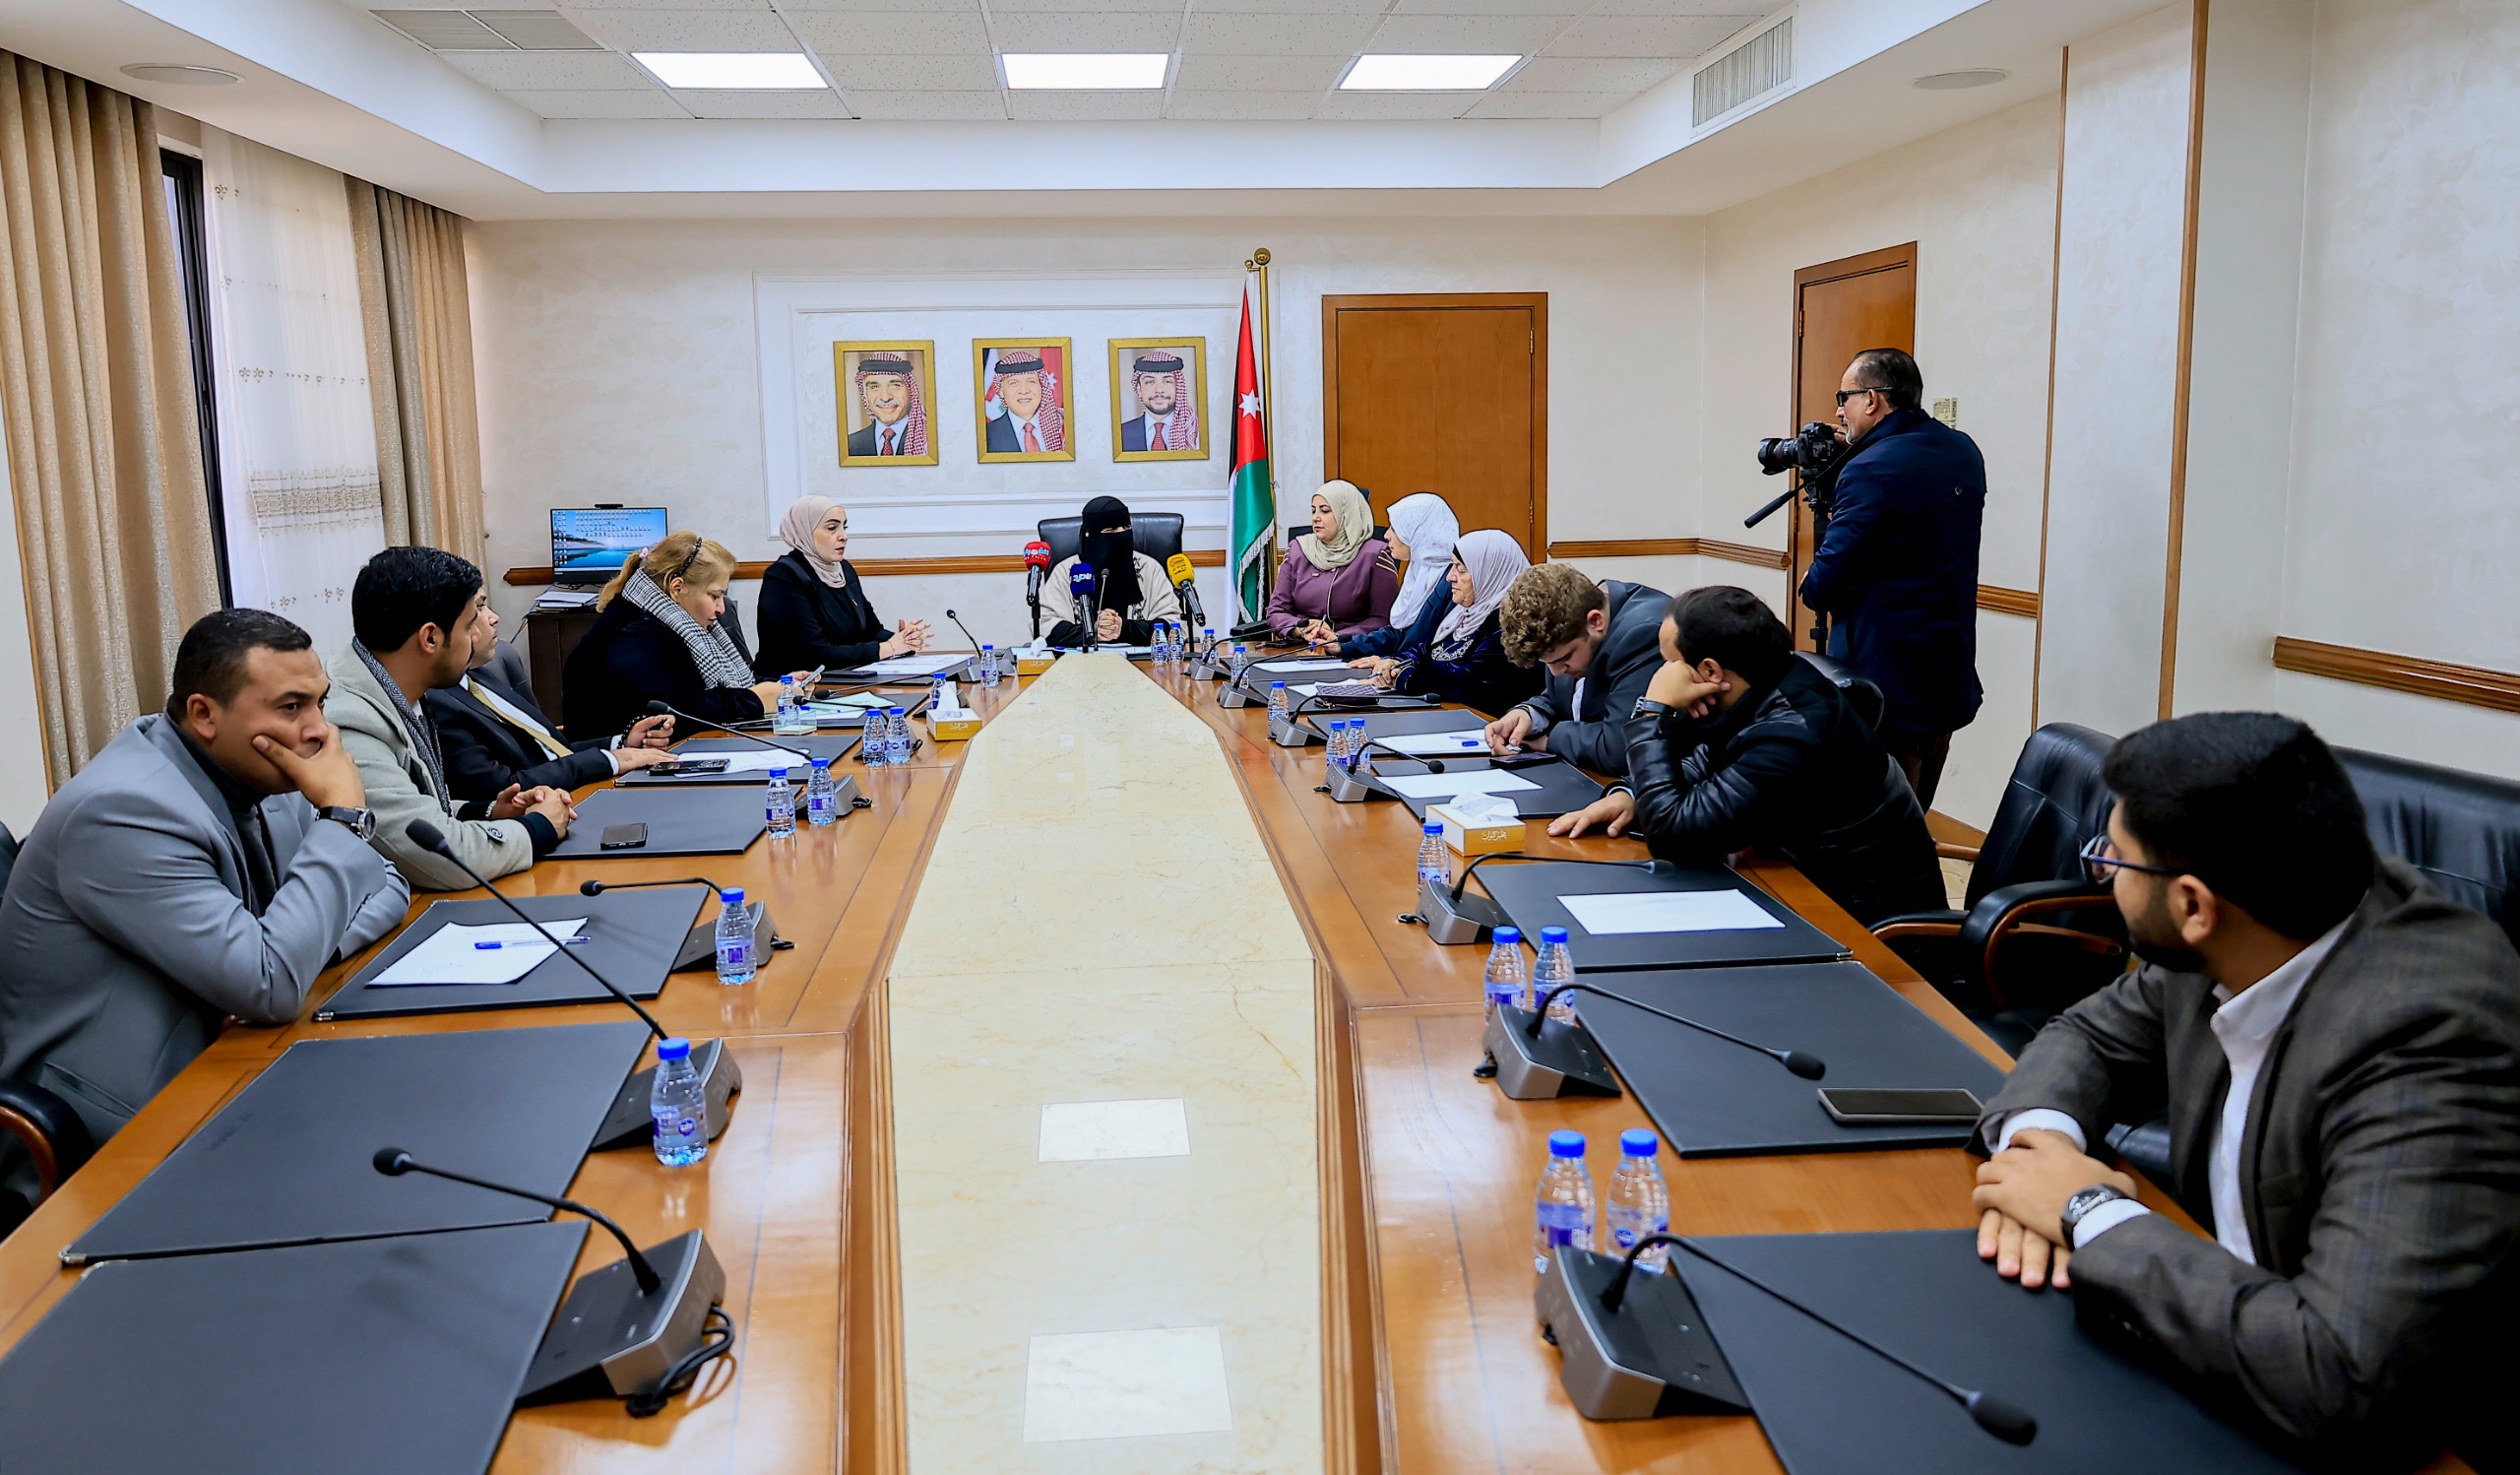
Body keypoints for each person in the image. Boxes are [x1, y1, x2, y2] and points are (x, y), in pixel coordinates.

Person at [1968, 713, 2520, 1467]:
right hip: (2208, 1344)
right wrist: (2042, 1151)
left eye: (2114, 860)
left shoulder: (2429, 1039)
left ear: (2193, 906)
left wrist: (2085, 1210)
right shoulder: (2256, 924)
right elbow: (2090, 1035)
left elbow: (2338, 1377)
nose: (2105, 874)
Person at [0, 609, 409, 1153]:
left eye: (320, 702)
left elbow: (387, 881)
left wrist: (310, 947)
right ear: (204, 714)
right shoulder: (123, 811)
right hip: (126, 1123)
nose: (319, 731)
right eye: (291, 707)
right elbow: (269, 985)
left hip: (243, 1061)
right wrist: (341, 822)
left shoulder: (261, 769)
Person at [1545, 587, 1942, 927]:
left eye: (1669, 665)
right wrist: (1630, 795)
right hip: (1790, 885)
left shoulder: (1793, 732)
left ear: (1710, 670)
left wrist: (1653, 712)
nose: (1663, 677)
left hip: (1861, 929)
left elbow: (1674, 836)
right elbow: (1704, 764)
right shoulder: (1762, 686)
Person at [1798, 348, 1985, 810]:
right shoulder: (1962, 449)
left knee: (1879, 826)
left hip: (1886, 682)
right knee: (1915, 814)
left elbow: (1823, 585)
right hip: (1945, 672)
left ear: (1872, 399)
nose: (1838, 411)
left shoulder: (1871, 468)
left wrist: (1809, 579)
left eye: (1844, 397)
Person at [332, 546, 577, 891]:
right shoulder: (351, 723)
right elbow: (442, 857)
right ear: (430, 638)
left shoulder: (396, 687)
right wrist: (540, 827)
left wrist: (489, 812)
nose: (475, 636)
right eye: (468, 625)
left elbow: (418, 810)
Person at [563, 531, 799, 740]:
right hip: (613, 762)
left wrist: (777, 685)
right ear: (677, 588)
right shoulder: (635, 633)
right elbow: (680, 711)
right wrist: (755, 699)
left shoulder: (661, 617)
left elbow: (710, 688)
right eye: (714, 596)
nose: (721, 608)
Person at [428, 624, 679, 804]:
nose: (493, 618)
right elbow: (503, 788)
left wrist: (621, 744)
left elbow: (550, 752)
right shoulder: (438, 703)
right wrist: (608, 760)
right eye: (478, 611)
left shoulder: (479, 676)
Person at [1485, 564, 1668, 777]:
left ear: (1595, 622)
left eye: (1564, 659)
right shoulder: (1578, 631)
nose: (1555, 672)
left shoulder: (1643, 635)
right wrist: (1529, 716)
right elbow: (1566, 699)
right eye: (1547, 663)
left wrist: (1549, 740)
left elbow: (1619, 749)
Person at [1369, 530, 1542, 716]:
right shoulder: (1463, 613)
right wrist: (1396, 662)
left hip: (1486, 724)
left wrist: (1406, 676)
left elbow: (1469, 682)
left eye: (1461, 569)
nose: (1450, 577)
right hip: (1447, 716)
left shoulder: (1511, 625)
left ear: (1490, 573)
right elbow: (1426, 650)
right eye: (1452, 566)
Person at [755, 495, 932, 674]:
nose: (844, 537)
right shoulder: (783, 577)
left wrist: (904, 640)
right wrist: (890, 648)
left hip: (843, 678)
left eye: (844, 527)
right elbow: (816, 656)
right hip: (791, 685)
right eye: (832, 528)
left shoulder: (843, 570)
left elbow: (871, 631)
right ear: (804, 531)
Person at [1335, 492, 1458, 673]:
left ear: (1417, 530)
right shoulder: (1418, 569)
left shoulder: (1452, 582)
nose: (1386, 535)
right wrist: (1342, 646)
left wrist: (1394, 661)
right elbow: (1398, 633)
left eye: (1395, 528)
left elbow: (1439, 651)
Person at [1036, 495, 1181, 647]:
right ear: (1090, 535)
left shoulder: (1148, 568)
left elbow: (1174, 625)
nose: (1122, 534)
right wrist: (1091, 632)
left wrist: (1124, 628)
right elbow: (1044, 625)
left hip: (1142, 660)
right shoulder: (1067, 571)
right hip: (1080, 660)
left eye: (1126, 528)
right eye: (1111, 530)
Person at [1268, 480, 1398, 643]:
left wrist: (1336, 637)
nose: (1316, 518)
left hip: (1352, 649)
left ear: (1346, 513)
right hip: (1300, 647)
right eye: (1313, 511)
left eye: (1325, 511)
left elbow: (1382, 619)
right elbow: (1276, 610)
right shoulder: (1298, 549)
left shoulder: (1375, 555)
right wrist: (1299, 629)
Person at [844, 353, 927, 459]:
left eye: (895, 385)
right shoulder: (850, 444)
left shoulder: (928, 441)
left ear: (910, 391)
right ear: (865, 395)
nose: (885, 398)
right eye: (874, 387)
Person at [983, 349, 1064, 454]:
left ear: (1042, 386)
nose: (1024, 391)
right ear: (1001, 391)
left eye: (1031, 381)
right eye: (1014, 383)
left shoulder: (1063, 428)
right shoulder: (985, 436)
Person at [1118, 350, 1199, 453]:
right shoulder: (1120, 434)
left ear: (1179, 387)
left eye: (1167, 381)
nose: (1159, 389)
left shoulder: (1196, 432)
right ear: (1139, 389)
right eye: (1150, 382)